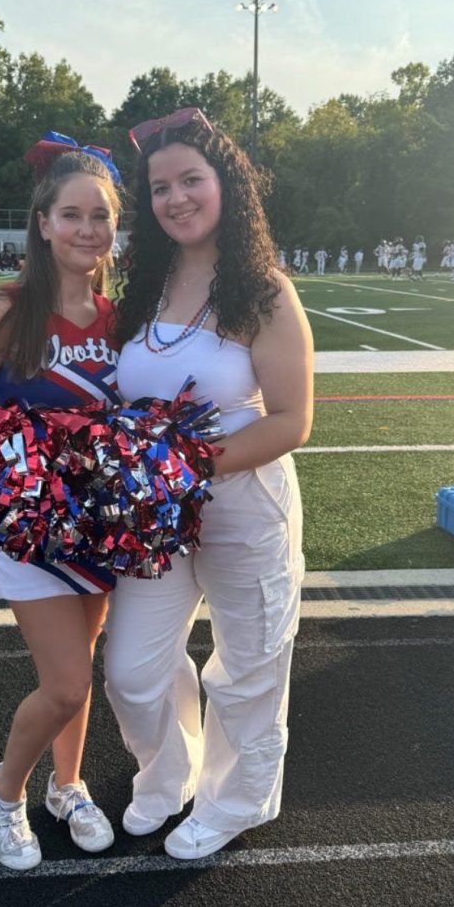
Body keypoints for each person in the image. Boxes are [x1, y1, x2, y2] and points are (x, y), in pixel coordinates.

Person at [104, 106, 314, 860]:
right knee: (132, 670)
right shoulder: (143, 285)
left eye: (192, 179)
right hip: (154, 517)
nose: (177, 198)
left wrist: (185, 466)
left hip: (241, 504)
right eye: (160, 188)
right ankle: (168, 772)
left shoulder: (265, 292)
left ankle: (236, 800)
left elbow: (292, 419)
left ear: (226, 184)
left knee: (250, 663)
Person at [0, 133, 123, 871]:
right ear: (43, 223)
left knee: (81, 665)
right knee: (67, 681)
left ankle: (69, 784)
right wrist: (29, 470)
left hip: (104, 525)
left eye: (101, 217)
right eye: (72, 215)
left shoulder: (121, 320)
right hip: (34, 528)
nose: (88, 229)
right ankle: (5, 788)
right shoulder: (6, 310)